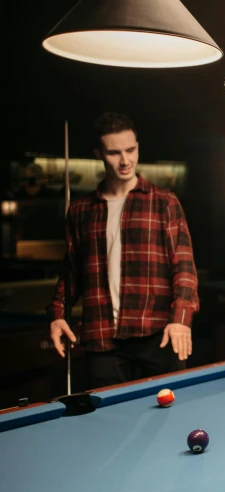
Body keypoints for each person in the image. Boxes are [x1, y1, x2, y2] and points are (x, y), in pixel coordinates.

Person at [48, 112, 199, 388]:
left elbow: (184, 269)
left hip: (159, 335)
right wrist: (58, 315)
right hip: (103, 340)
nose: (125, 160)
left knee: (169, 420)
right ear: (99, 154)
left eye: (131, 150)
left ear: (138, 147)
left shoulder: (164, 202)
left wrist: (180, 320)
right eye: (114, 152)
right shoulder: (80, 210)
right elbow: (71, 273)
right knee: (109, 425)